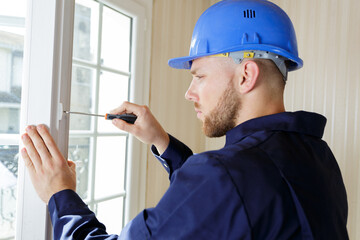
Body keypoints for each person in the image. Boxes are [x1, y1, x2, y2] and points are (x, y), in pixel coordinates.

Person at [21, 0, 349, 239]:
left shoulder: (227, 176)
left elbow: (224, 190)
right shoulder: (317, 156)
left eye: (200, 76)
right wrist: (161, 142)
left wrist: (59, 194)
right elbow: (231, 205)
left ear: (246, 75)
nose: (189, 93)